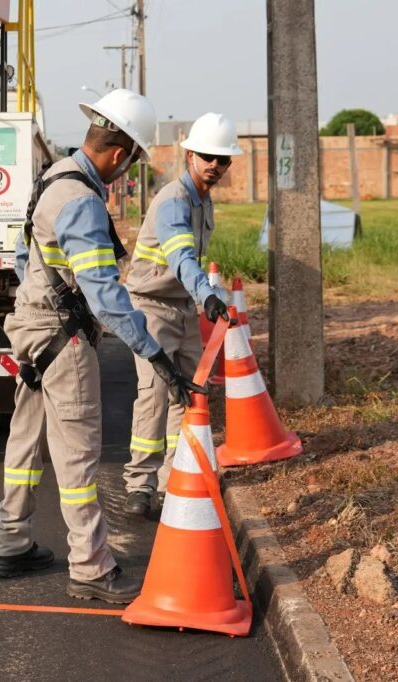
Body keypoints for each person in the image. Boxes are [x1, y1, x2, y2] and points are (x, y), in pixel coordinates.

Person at [0, 89, 204, 604]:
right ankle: (90, 566)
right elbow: (107, 298)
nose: (126, 172)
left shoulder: (50, 180)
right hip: (60, 339)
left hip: (29, 328)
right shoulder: (84, 201)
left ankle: (13, 540)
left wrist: (42, 305)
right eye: (130, 162)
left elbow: (24, 257)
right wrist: (154, 354)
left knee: (26, 441)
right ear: (120, 153)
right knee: (78, 456)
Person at [121, 112, 243, 517]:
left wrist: (201, 300)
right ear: (189, 154)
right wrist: (207, 295)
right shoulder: (175, 200)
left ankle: (176, 477)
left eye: (222, 159)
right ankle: (140, 485)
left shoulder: (203, 200)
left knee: (190, 393)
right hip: (152, 306)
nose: (214, 164)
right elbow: (181, 256)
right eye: (207, 155)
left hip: (181, 307)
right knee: (155, 394)